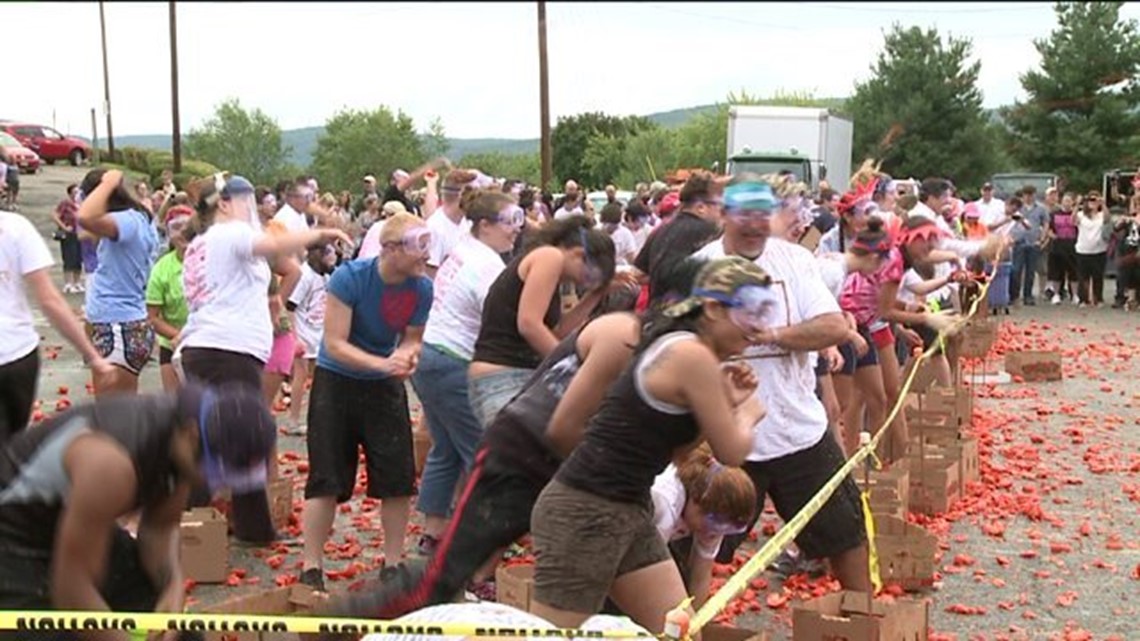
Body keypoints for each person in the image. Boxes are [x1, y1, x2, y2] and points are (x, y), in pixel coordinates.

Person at [528, 258, 769, 631]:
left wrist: (726, 401)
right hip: (586, 512)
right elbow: (732, 453)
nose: (760, 327)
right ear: (713, 307)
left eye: (766, 311)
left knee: (679, 632)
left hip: (628, 508)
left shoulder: (685, 350)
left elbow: (677, 454)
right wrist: (747, 412)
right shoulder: (692, 355)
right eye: (752, 310)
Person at [691, 177, 869, 593]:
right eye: (743, 216)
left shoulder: (793, 260)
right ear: (724, 216)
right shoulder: (697, 268)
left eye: (761, 215)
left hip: (797, 429)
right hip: (724, 437)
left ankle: (865, 621)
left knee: (846, 531)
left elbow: (832, 325)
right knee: (694, 544)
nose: (754, 225)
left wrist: (772, 336)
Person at [0, 384, 276, 641]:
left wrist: (172, 584)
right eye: (214, 472)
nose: (211, 484)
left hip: (76, 525)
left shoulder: (184, 441)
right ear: (192, 436)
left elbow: (160, 529)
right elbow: (71, 591)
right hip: (13, 539)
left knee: (181, 632)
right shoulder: (110, 466)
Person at [179, 174, 346, 545]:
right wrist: (320, 234)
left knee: (211, 437)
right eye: (245, 201)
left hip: (207, 347)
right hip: (228, 350)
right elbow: (275, 245)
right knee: (243, 438)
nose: (252, 209)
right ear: (223, 204)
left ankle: (196, 520)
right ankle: (242, 528)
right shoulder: (230, 233)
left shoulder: (201, 243)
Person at [299, 213, 433, 592]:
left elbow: (412, 336)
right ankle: (312, 566)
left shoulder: (421, 288)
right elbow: (336, 343)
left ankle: (393, 563)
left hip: (384, 386)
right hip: (336, 381)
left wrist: (408, 355)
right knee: (326, 476)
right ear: (390, 249)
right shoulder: (350, 277)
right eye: (417, 246)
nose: (425, 255)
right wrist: (384, 363)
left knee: (397, 477)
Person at [412, 190, 521, 555]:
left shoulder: (463, 248)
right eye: (510, 222)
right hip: (454, 363)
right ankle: (475, 542)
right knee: (482, 455)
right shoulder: (487, 266)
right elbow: (503, 322)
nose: (515, 230)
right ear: (485, 225)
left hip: (430, 357)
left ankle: (434, 532)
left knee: (444, 449)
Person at [467, 217, 618, 428]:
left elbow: (557, 332)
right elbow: (529, 324)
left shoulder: (550, 268)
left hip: (511, 373)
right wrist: (571, 367)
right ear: (579, 254)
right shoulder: (549, 257)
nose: (581, 283)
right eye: (588, 277)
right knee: (513, 455)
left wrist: (595, 295)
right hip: (503, 374)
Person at [0, 209, 111, 444]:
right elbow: (49, 300)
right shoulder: (15, 228)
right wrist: (92, 355)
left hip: (15, 352)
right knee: (11, 447)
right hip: (15, 355)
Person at [77, 168, 160, 396]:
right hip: (124, 324)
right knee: (120, 414)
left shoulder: (127, 221)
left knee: (113, 419)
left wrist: (107, 183)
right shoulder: (138, 218)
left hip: (118, 328)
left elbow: (85, 217)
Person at [650, 446, 755, 608]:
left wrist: (693, 624)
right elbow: (645, 569)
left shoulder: (715, 518)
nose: (713, 533)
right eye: (713, 525)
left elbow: (700, 576)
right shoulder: (663, 503)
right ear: (695, 500)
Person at [635, 171, 724, 304]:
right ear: (701, 207)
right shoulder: (709, 232)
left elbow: (640, 274)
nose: (723, 211)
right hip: (689, 316)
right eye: (720, 205)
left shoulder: (661, 229)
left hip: (657, 316)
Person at [282, 243, 337, 435]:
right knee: (301, 375)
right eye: (329, 252)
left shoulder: (327, 276)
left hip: (318, 332)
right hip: (303, 333)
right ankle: (293, 420)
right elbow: (290, 306)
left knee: (318, 378)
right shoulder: (305, 276)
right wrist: (295, 338)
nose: (334, 256)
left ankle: (316, 418)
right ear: (318, 254)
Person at [146, 206, 193, 393]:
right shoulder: (161, 269)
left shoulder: (212, 260)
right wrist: (177, 336)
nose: (183, 233)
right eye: (176, 227)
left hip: (207, 341)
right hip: (173, 343)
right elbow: (152, 316)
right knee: (176, 405)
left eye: (188, 227)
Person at [424, 169, 478, 278]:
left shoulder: (467, 223)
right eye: (473, 195)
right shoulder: (435, 228)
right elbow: (430, 276)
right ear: (461, 196)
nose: (477, 199)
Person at [1007, 185, 1049, 306]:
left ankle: (1028, 296)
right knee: (1016, 270)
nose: (1029, 197)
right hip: (1018, 241)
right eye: (1026, 194)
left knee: (1031, 271)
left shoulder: (1041, 208)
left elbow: (1045, 223)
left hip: (1033, 241)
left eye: (1031, 194)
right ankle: (1014, 295)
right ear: (1023, 195)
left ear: (1035, 195)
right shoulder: (1017, 208)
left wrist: (1042, 239)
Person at [1074, 191, 1110, 307]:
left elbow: (1107, 219)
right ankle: (1083, 299)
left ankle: (1098, 298)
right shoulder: (1081, 215)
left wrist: (1103, 204)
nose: (1093, 203)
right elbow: (1073, 220)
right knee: (1083, 277)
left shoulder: (1101, 215)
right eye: (1091, 200)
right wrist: (1077, 204)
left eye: (1095, 200)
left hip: (1099, 250)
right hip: (1083, 250)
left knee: (1098, 276)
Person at [1044, 192, 1079, 305]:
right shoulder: (1054, 213)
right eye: (1065, 200)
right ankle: (1056, 294)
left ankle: (1074, 295)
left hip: (1072, 245)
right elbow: (1048, 227)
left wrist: (1076, 209)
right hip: (1057, 245)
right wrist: (1051, 235)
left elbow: (1077, 224)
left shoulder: (1077, 214)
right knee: (1056, 272)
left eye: (1069, 201)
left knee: (1073, 272)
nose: (1067, 203)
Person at [52, 183, 85, 293]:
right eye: (75, 192)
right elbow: (55, 215)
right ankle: (68, 283)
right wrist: (64, 227)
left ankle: (77, 282)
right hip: (69, 234)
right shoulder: (66, 203)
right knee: (69, 257)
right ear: (70, 193)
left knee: (78, 258)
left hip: (81, 234)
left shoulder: (83, 204)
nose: (77, 194)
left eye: (78, 192)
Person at [600, 202, 638, 266]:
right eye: (607, 223)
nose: (610, 227)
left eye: (614, 224)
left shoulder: (625, 233)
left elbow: (631, 256)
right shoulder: (597, 232)